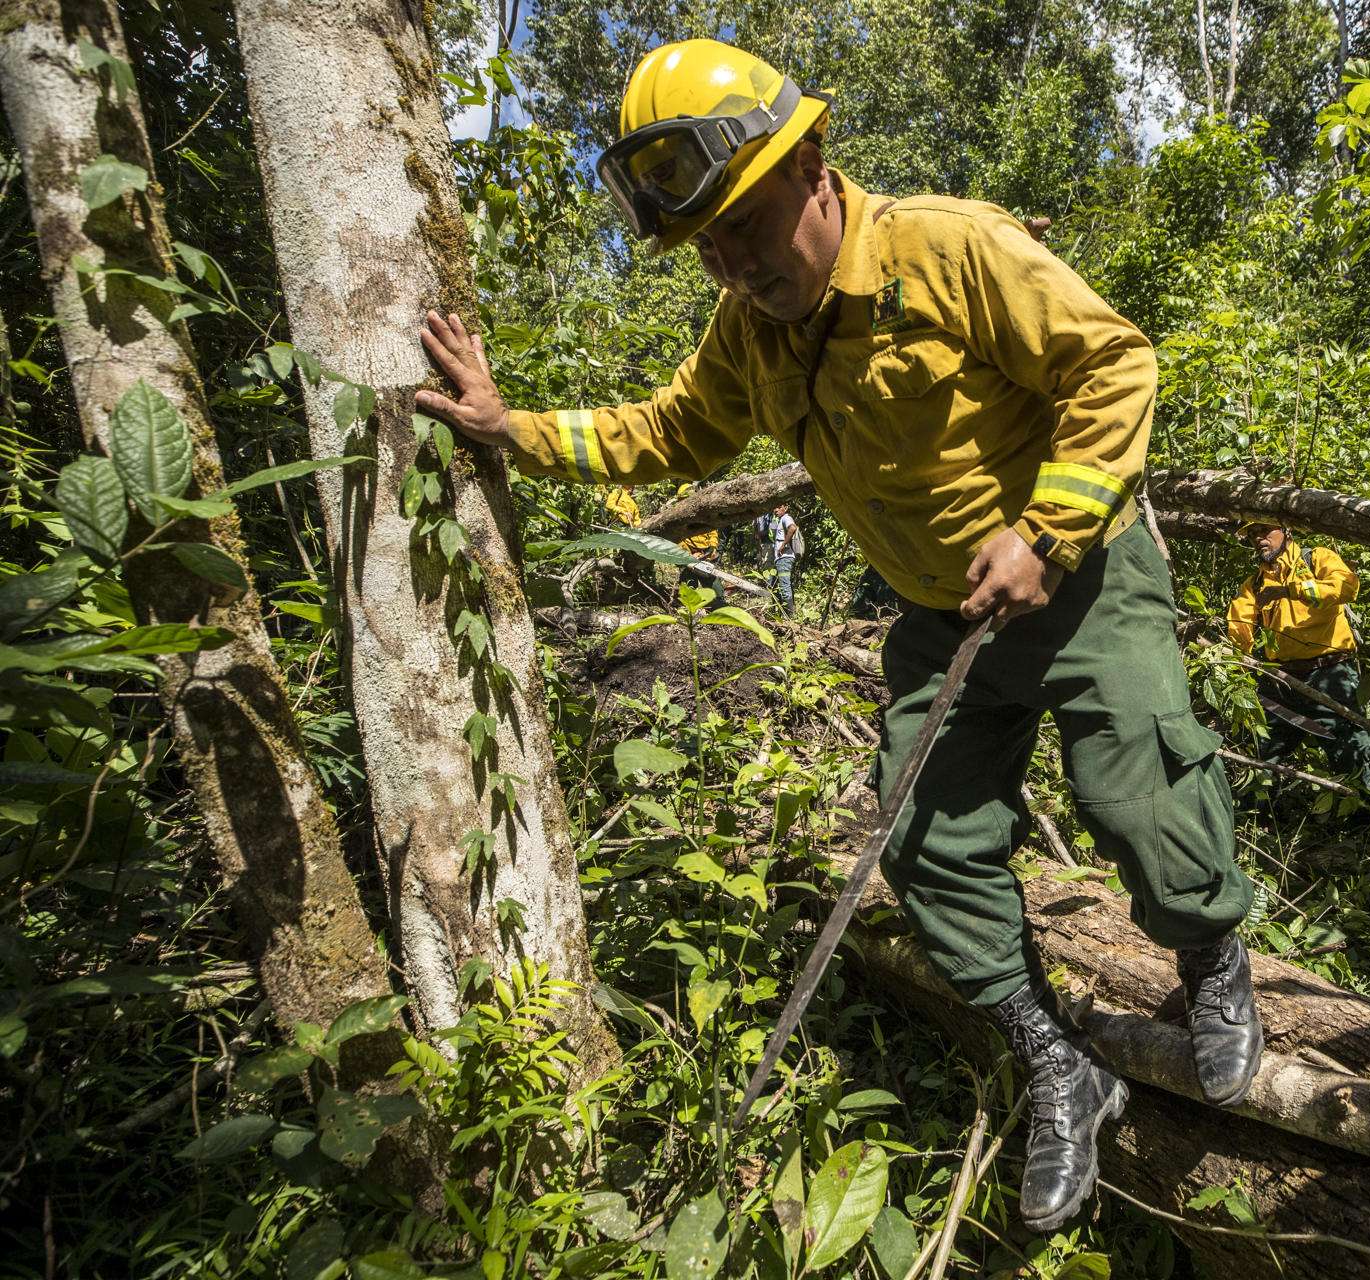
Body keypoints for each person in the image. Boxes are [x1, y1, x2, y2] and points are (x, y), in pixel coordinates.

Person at [413, 38, 1258, 1234]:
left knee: (1134, 787)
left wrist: (1048, 527)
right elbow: (667, 434)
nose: (734, 263)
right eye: (705, 245)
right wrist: (513, 426)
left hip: (1079, 578)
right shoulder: (745, 335)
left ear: (811, 162)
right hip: (935, 613)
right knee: (923, 838)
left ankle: (1213, 962)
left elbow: (1112, 358)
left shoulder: (947, 248)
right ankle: (1061, 1063)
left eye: (746, 226)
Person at [1227, 525, 1370, 789]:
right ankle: (1259, 819)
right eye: (1254, 534)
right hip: (1280, 681)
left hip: (1330, 674)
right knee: (1261, 754)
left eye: (1266, 531)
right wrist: (1239, 663)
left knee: (1355, 753)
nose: (1259, 538)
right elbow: (1239, 624)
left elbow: (1347, 587)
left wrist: (1292, 590)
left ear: (1286, 531)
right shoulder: (1255, 583)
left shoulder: (1317, 558)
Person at [754, 502, 799, 610]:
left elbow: (792, 528)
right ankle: (783, 610)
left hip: (784, 558)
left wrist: (783, 544)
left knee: (784, 585)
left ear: (786, 507)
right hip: (780, 558)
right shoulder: (778, 520)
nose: (776, 510)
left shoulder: (785, 518)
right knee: (783, 584)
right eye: (775, 507)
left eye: (779, 507)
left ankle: (790, 615)